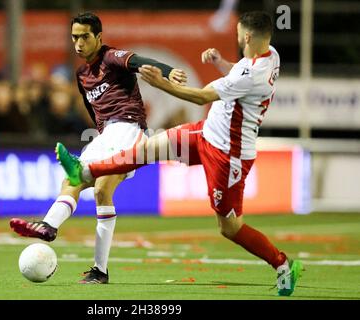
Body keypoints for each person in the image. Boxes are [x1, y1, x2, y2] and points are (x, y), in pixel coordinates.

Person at [55, 11, 303, 296]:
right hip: (205, 133)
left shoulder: (253, 75)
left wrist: (161, 84)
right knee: (146, 149)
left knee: (229, 227)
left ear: (246, 36)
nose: (236, 36)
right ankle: (85, 170)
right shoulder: (269, 55)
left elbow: (201, 96)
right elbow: (240, 70)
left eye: (237, 33)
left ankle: (282, 264)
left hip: (228, 154)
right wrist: (220, 63)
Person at [10, 12, 187, 284]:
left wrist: (168, 71)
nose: (78, 43)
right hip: (105, 136)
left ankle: (77, 249)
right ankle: (53, 229)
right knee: (73, 180)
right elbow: (93, 111)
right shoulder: (82, 74)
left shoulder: (111, 57)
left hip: (129, 131)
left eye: (84, 36)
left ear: (98, 37)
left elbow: (139, 62)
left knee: (102, 188)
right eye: (74, 37)